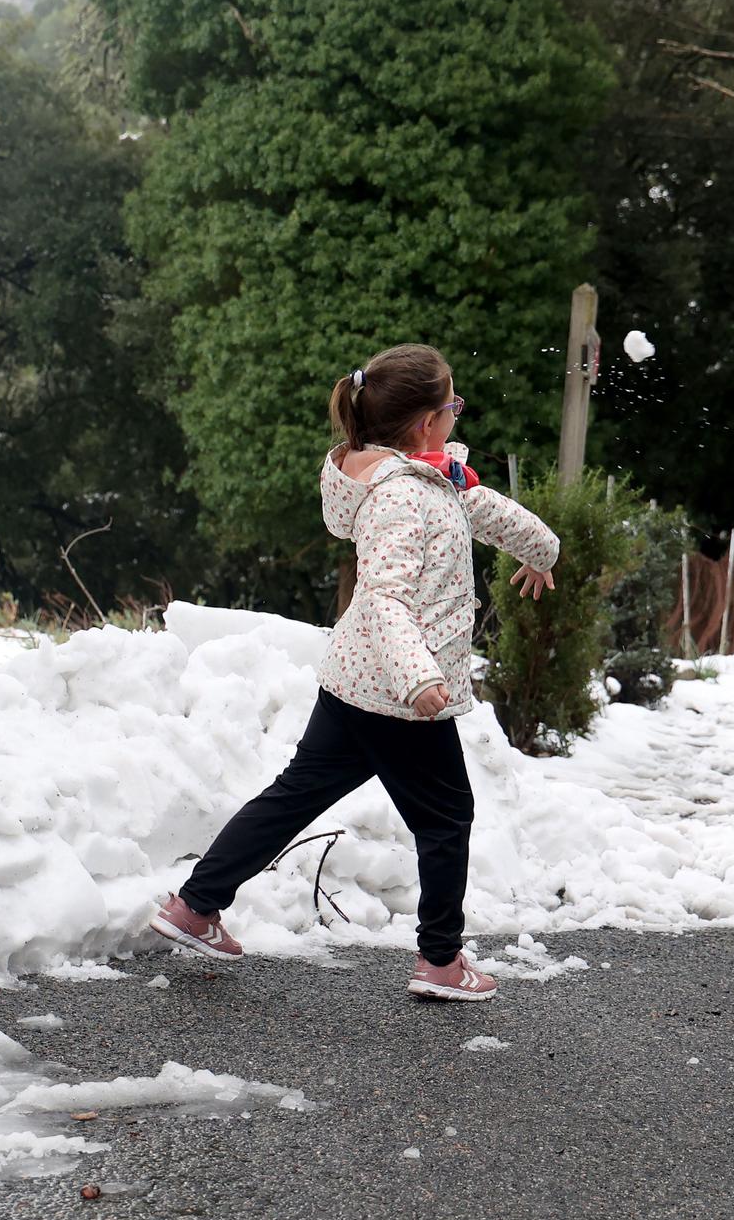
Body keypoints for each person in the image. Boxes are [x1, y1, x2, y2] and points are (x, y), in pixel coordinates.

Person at [148, 343, 561, 1000]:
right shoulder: (402, 498)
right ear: (427, 421)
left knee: (295, 796)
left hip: (354, 685)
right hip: (401, 695)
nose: (458, 414)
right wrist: (421, 678)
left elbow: (480, 509)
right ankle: (442, 962)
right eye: (452, 405)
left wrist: (544, 549)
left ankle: (193, 906)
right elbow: (383, 596)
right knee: (448, 818)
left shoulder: (427, 480)